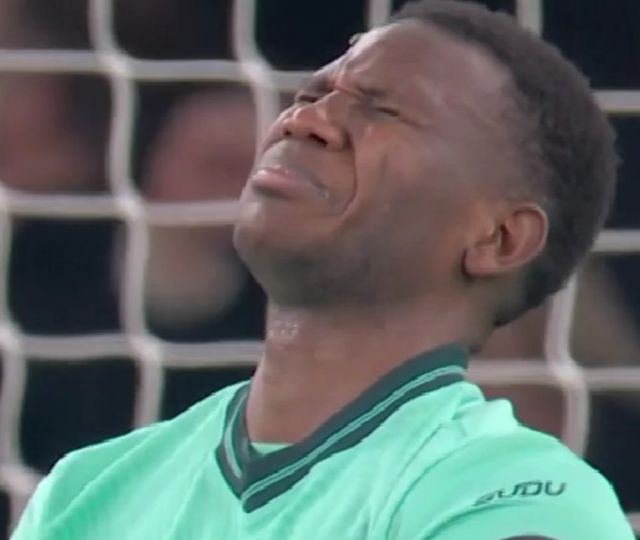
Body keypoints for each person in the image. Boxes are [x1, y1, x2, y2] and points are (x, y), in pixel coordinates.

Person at [11, 1, 635, 538]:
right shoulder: (86, 490)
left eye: (381, 111)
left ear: (500, 239)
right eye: (312, 95)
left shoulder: (512, 497)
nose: (304, 119)